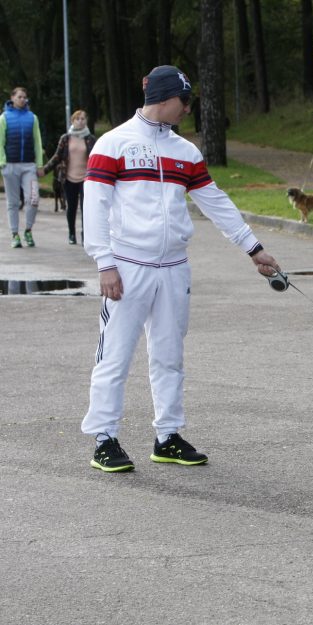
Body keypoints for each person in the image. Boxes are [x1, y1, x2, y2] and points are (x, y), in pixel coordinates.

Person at [81, 65, 281, 472]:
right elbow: (95, 205)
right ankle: (104, 438)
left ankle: (167, 436)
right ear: (165, 98)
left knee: (169, 355)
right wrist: (105, 263)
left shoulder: (185, 151)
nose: (188, 109)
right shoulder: (113, 143)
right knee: (115, 355)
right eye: (184, 101)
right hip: (127, 265)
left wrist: (253, 248)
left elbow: (215, 202)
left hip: (174, 268)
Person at [41, 109, 96, 245]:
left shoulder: (90, 139)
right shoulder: (65, 138)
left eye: (83, 119)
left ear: (86, 121)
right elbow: (57, 157)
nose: (80, 121)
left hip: (86, 179)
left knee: (86, 208)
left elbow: (96, 158)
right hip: (69, 178)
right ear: (72, 121)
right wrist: (44, 170)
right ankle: (72, 233)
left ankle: (85, 235)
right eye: (78, 119)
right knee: (71, 207)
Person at [0, 87, 43, 248]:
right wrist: (2, 162)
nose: (22, 99)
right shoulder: (4, 117)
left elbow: (37, 142)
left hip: (28, 166)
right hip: (10, 165)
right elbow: (0, 142)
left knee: (33, 198)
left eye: (25, 97)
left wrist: (39, 164)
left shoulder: (32, 118)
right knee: (12, 202)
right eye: (19, 97)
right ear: (12, 98)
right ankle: (14, 234)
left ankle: (28, 230)